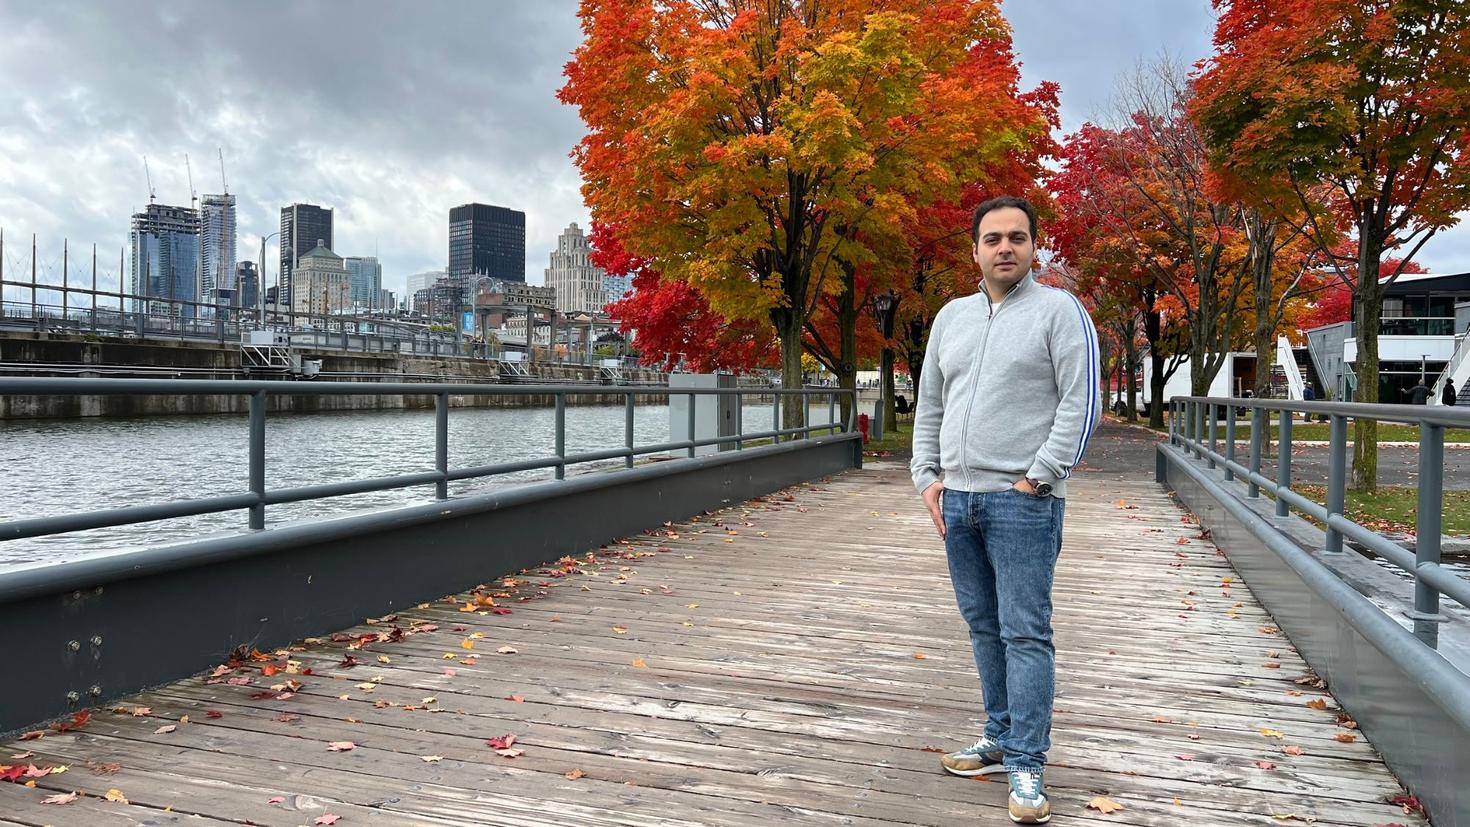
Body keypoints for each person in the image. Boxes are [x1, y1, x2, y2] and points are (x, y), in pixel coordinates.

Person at [910, 195, 1100, 825]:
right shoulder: (951, 318)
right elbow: (930, 403)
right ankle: (999, 736)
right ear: (975, 250)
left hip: (1023, 502)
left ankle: (1027, 761)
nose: (1005, 248)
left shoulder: (1059, 312)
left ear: (1034, 246)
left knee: (1024, 631)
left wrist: (1039, 479)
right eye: (992, 238)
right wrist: (927, 477)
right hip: (957, 500)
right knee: (983, 626)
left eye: (1017, 237)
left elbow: (1081, 402)